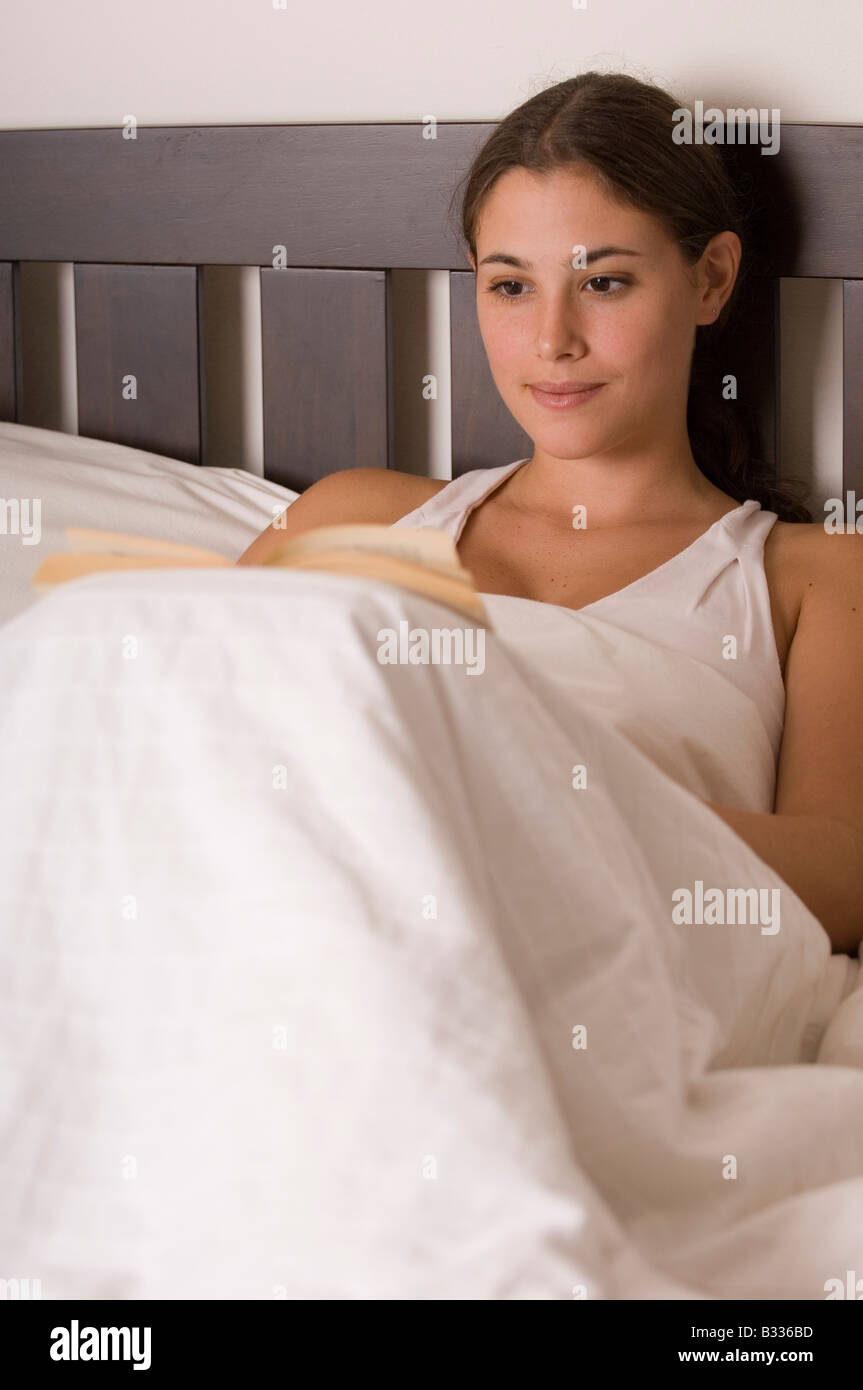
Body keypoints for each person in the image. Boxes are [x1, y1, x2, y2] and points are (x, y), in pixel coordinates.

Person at [237, 71, 863, 956]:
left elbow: (842, 874)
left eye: (602, 283)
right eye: (510, 286)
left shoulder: (809, 576)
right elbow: (181, 722)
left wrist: (537, 801)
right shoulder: (351, 515)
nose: (550, 341)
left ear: (711, 278)